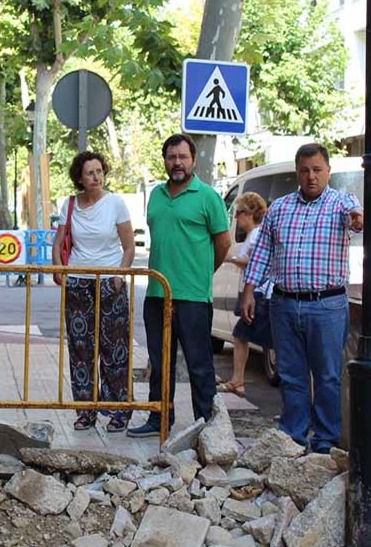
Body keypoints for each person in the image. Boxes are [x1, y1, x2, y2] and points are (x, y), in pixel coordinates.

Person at [242, 143, 363, 454]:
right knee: (292, 375)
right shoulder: (279, 208)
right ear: (297, 172)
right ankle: (293, 438)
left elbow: (355, 215)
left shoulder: (340, 203)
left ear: (328, 171)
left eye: (317, 170)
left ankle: (325, 442)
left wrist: (357, 218)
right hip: (284, 303)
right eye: (305, 170)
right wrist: (249, 291)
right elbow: (263, 253)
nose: (311, 176)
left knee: (328, 377)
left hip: (327, 306)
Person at [127, 133, 231, 438]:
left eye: (182, 157)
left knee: (200, 365)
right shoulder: (157, 195)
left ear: (193, 160)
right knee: (160, 363)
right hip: (158, 293)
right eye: (171, 157)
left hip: (194, 297)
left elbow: (224, 243)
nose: (177, 163)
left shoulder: (208, 196)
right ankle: (159, 418)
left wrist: (201, 272)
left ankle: (208, 424)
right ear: (165, 160)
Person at [52, 151, 135, 432]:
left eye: (99, 171)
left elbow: (129, 247)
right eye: (90, 173)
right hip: (78, 281)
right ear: (80, 177)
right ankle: (85, 410)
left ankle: (118, 410)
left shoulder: (115, 203)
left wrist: (119, 277)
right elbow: (59, 242)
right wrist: (60, 270)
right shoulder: (71, 204)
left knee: (114, 349)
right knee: (80, 349)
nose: (96, 177)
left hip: (109, 281)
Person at [218, 192, 272, 398]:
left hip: (258, 292)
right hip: (251, 291)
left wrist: (231, 258)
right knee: (241, 336)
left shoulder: (257, 235)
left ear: (250, 214)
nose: (236, 218)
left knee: (241, 335)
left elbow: (256, 262)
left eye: (239, 213)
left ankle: (238, 380)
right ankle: (237, 379)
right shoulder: (254, 235)